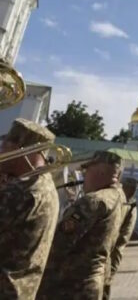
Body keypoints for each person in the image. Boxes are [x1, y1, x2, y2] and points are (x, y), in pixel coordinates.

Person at [38, 150, 126, 300]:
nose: (84, 175)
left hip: (70, 287)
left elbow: (57, 245)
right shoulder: (119, 197)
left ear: (101, 171)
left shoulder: (93, 201)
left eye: (87, 170)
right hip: (92, 284)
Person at [0, 119, 59, 299]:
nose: (1, 151)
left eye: (5, 146)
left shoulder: (20, 191)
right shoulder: (46, 184)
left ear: (23, 149)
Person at [102, 176, 138, 300]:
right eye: (129, 188)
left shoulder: (131, 207)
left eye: (133, 189)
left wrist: (111, 270)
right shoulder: (119, 201)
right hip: (104, 252)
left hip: (110, 255)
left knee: (105, 286)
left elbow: (122, 240)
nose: (131, 191)